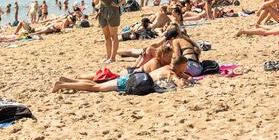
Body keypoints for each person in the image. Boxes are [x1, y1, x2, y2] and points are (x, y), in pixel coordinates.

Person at [51, 56, 191, 93]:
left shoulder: (168, 67)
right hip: (131, 81)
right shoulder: (169, 73)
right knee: (96, 88)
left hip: (132, 78)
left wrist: (187, 77)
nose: (184, 71)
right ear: (179, 66)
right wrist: (186, 83)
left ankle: (66, 80)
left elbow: (183, 76)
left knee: (96, 85)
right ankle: (62, 85)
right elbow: (180, 82)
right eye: (184, 68)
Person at [93, 0, 129, 64]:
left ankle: (113, 58)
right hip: (102, 13)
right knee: (106, 36)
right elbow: (96, 1)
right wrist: (97, 6)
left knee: (114, 36)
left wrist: (118, 4)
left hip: (113, 12)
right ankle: (108, 56)